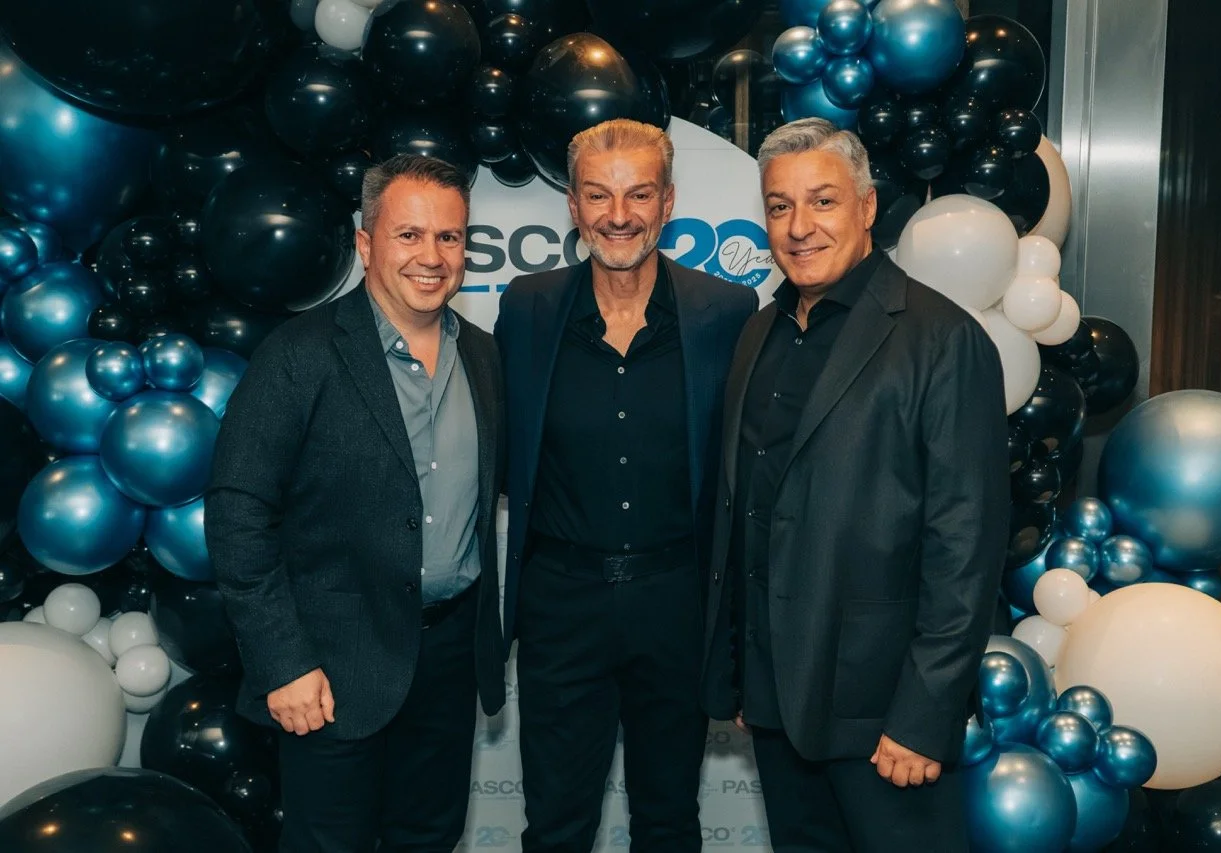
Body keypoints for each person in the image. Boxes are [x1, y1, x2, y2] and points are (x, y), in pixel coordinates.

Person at [700, 117, 1008, 852]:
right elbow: (751, 510)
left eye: (823, 201)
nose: (799, 226)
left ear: (867, 207)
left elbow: (965, 546)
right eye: (780, 206)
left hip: (884, 717)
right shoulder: (760, 332)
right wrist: (744, 673)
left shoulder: (942, 339)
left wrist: (923, 715)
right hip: (779, 699)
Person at [206, 154, 505, 853]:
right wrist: (284, 662)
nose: (432, 256)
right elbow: (237, 512)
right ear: (367, 244)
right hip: (329, 668)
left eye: (449, 237)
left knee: (430, 838)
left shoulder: (484, 356)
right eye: (409, 235)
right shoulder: (298, 354)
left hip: (449, 659)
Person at [493, 118, 757, 852]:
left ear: (668, 202)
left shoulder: (727, 312)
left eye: (639, 194)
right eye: (598, 194)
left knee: (669, 820)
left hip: (677, 603)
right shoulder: (526, 307)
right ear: (573, 205)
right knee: (555, 825)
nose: (619, 215)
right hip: (561, 604)